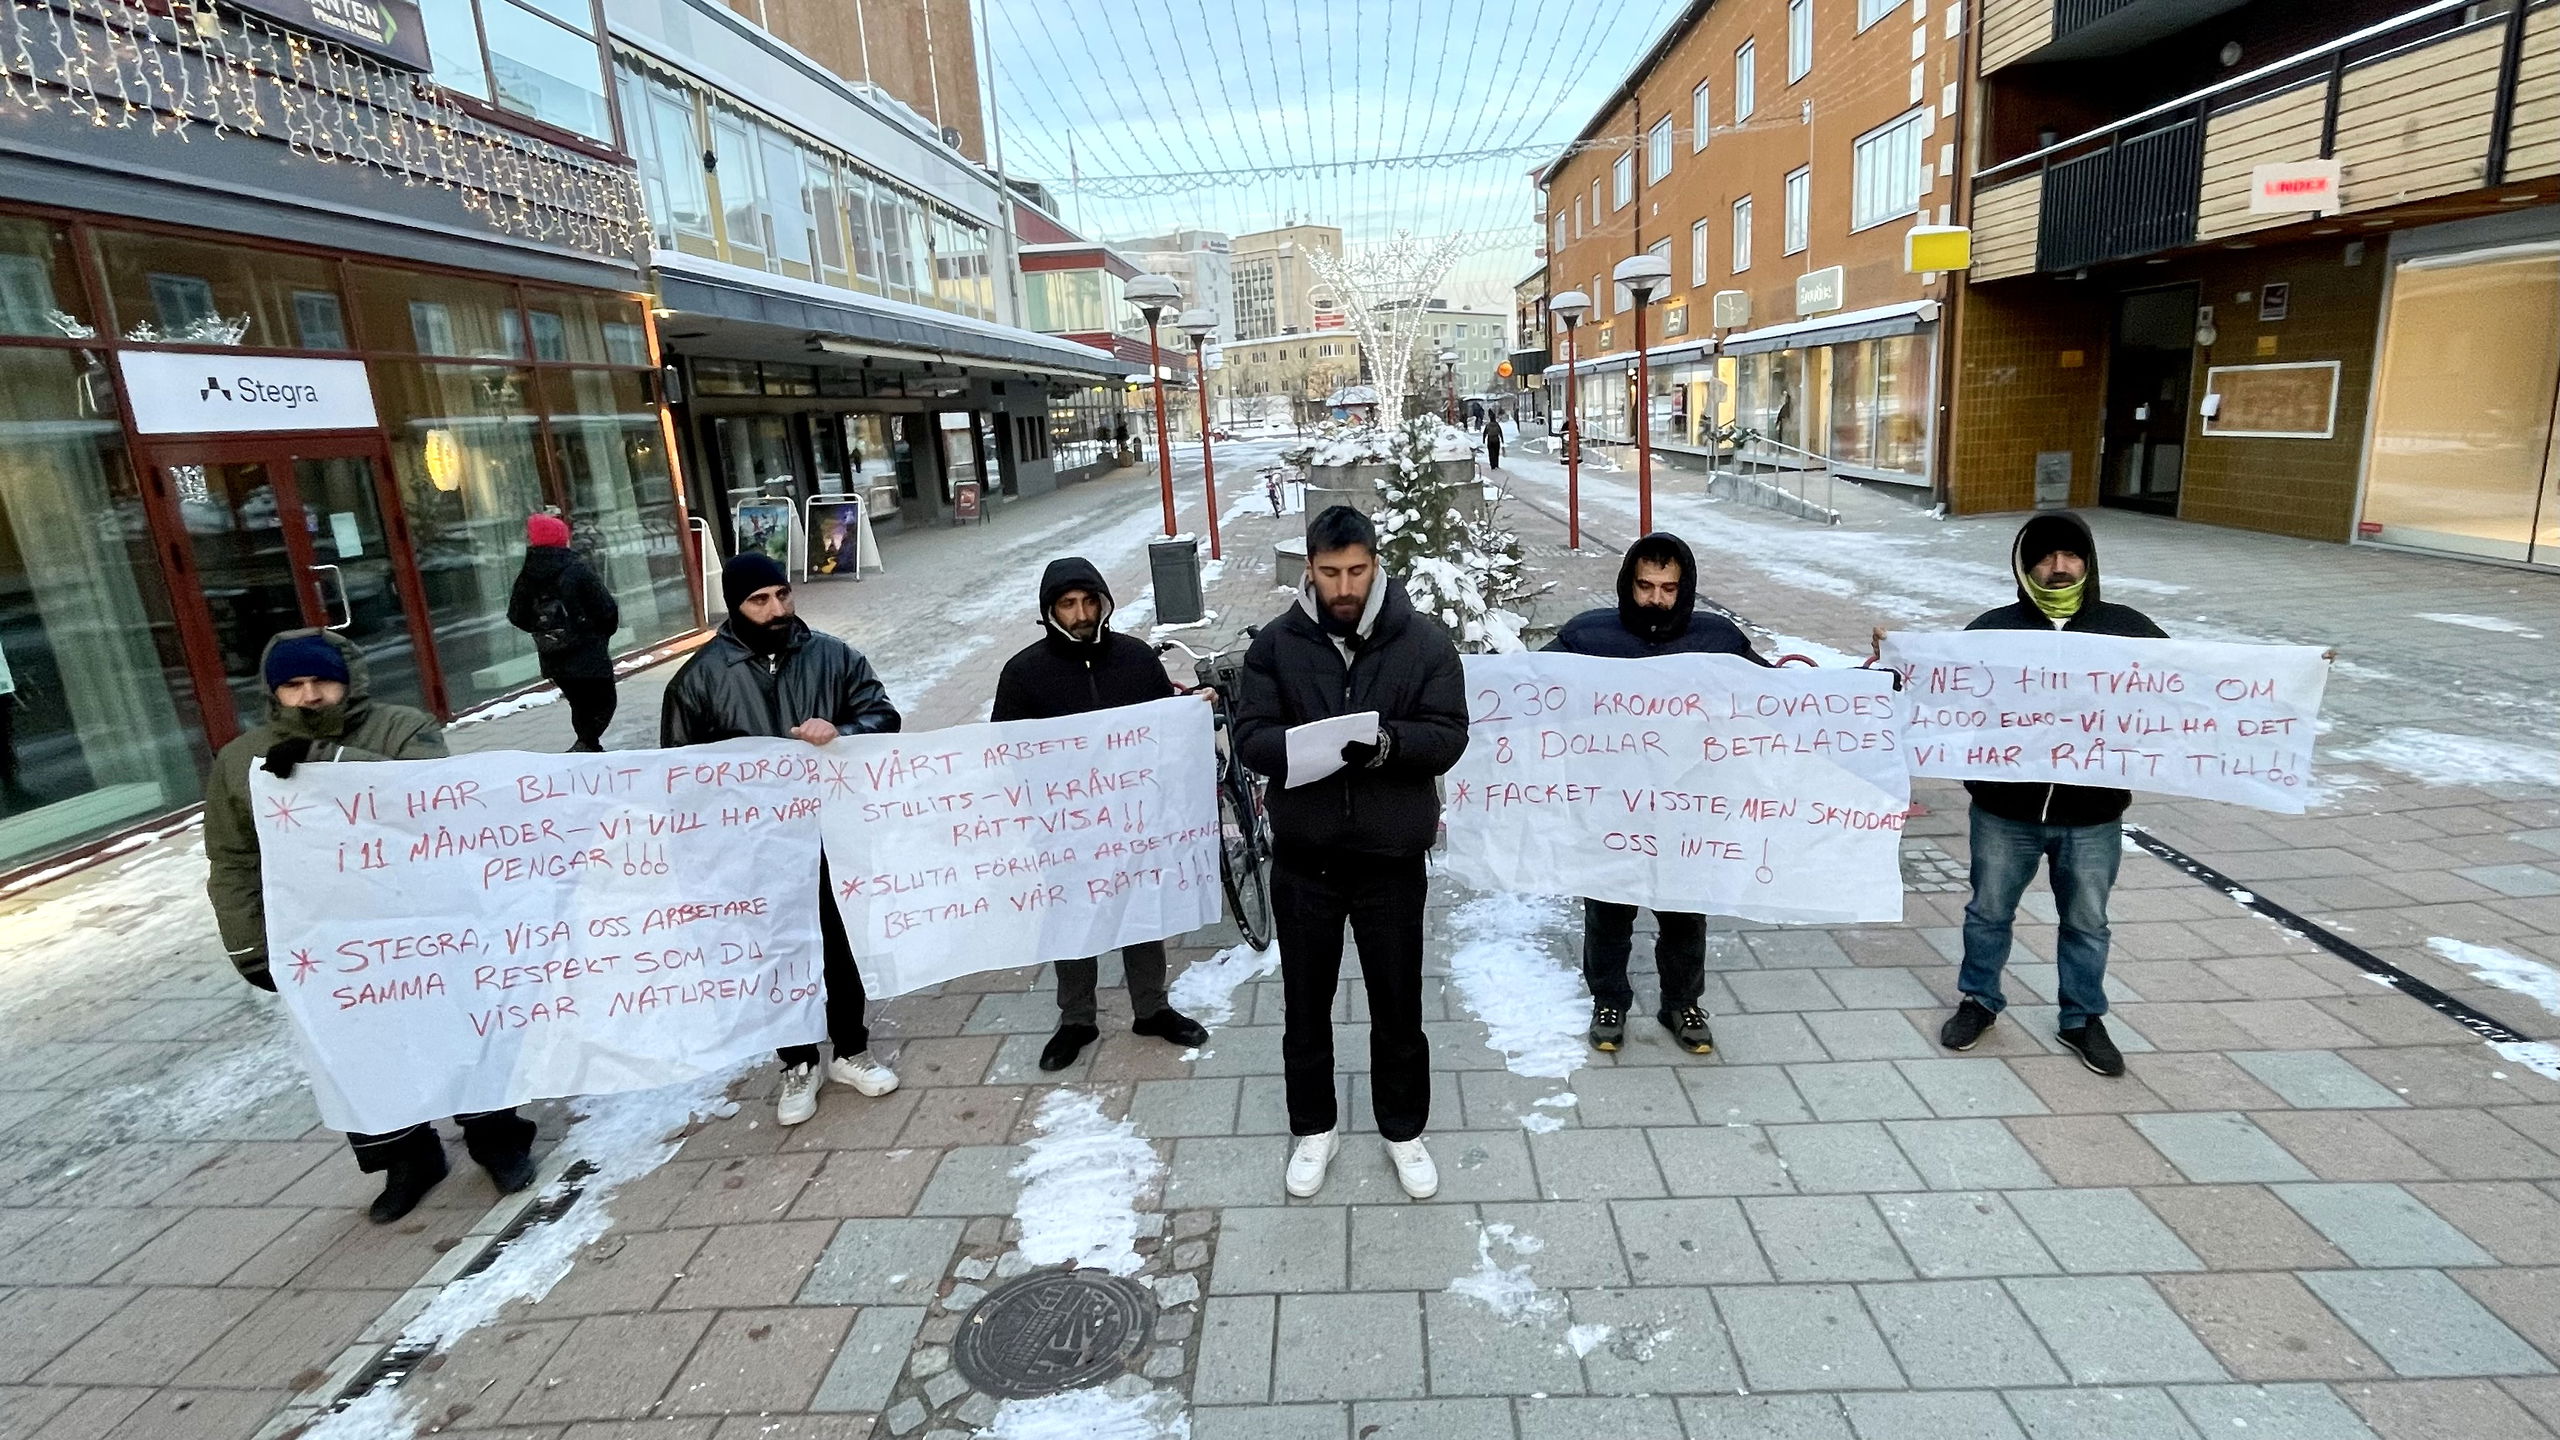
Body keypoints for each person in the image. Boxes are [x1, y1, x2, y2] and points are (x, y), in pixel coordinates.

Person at [204, 630, 538, 1224]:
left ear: (348, 681)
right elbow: (234, 859)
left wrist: (326, 762)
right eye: (293, 685)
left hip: (421, 920)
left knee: (461, 1029)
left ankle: (497, 1138)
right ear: (273, 692)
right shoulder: (240, 759)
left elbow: (428, 800)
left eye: (321, 681)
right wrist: (248, 944)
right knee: (361, 1053)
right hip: (327, 936)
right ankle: (406, 1158)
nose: (309, 696)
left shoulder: (401, 728)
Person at [1233, 506, 1469, 1201]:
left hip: (1390, 860)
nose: (1344, 586)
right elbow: (1249, 736)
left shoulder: (1423, 642)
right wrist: (1302, 746)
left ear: (1376, 564)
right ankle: (1315, 1128)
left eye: (1357, 571)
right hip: (1305, 861)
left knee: (1398, 1005)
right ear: (1309, 568)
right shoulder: (1275, 646)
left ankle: (1403, 1130)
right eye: (1330, 572)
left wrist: (1388, 744)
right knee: (1305, 1008)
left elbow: (1449, 734)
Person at [661, 553, 903, 1123]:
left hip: (829, 831)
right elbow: (678, 775)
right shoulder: (698, 679)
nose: (776, 609)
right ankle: (796, 1061)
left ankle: (850, 1049)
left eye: (782, 594)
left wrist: (841, 730)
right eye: (759, 600)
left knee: (841, 940)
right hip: (755, 848)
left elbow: (884, 717)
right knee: (776, 950)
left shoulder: (833, 657)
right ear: (735, 606)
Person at [1932, 511, 2166, 1078]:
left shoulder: (2127, 628)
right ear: (2025, 565)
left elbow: (2190, 687)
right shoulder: (1993, 630)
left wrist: (2296, 673)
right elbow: (1945, 694)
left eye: (2071, 555)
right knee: (1988, 912)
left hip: (2092, 814)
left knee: (2087, 922)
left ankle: (2082, 1018)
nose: (2059, 567)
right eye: (2044, 556)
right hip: (2004, 810)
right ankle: (1979, 1001)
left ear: (2088, 562)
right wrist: (1896, 659)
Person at [1547, 532, 1771, 1056]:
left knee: (1685, 913)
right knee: (1608, 911)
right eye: (1645, 586)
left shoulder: (1718, 640)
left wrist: (1864, 687)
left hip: (1689, 806)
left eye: (1668, 588)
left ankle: (1682, 1003)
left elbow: (1779, 697)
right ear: (1627, 583)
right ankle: (1609, 1000)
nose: (1656, 599)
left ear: (1685, 588)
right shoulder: (1587, 636)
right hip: (1612, 805)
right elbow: (1527, 688)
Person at [991, 557, 1212, 1070]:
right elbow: (1004, 746)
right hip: (1064, 824)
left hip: (1134, 817)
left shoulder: (1135, 658)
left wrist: (1192, 711)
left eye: (1089, 602)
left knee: (1142, 909)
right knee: (1072, 917)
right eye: (1068, 605)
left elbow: (1163, 727)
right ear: (1050, 611)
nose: (1081, 614)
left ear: (1104, 603)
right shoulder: (1024, 672)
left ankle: (1151, 1008)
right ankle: (1076, 1019)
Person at [508, 513, 620, 752]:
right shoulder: (577, 570)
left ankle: (588, 746)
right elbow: (606, 609)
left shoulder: (527, 575)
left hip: (553, 652)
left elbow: (516, 615)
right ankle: (586, 744)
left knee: (579, 702)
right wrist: (599, 634)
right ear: (561, 539)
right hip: (587, 649)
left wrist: (543, 629)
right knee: (604, 700)